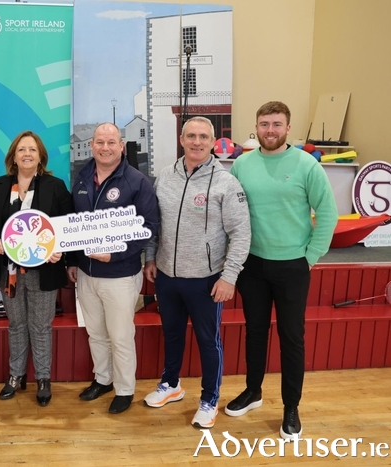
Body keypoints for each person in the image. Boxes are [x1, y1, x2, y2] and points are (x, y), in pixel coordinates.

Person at [226, 101, 337, 439]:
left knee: (291, 337)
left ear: (288, 128)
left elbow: (328, 214)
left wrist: (309, 257)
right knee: (255, 332)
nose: (270, 130)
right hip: (253, 266)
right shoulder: (241, 165)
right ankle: (253, 391)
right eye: (264, 124)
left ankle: (291, 406)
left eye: (276, 124)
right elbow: (230, 213)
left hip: (293, 266)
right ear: (256, 128)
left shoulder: (306, 166)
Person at [143, 116, 251, 428]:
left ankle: (209, 400)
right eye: (191, 136)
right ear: (181, 139)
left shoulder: (225, 183)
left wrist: (229, 276)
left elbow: (241, 234)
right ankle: (171, 385)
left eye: (203, 137)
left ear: (213, 142)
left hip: (206, 279)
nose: (197, 142)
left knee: (208, 340)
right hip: (166, 275)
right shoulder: (165, 176)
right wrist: (150, 258)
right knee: (172, 334)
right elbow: (155, 224)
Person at [67, 123, 159, 414]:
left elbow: (148, 228)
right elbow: (72, 223)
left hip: (119, 274)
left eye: (111, 142)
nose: (105, 148)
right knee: (95, 333)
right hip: (85, 273)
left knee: (120, 335)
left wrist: (116, 253)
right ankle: (103, 379)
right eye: (100, 142)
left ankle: (125, 389)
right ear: (92, 145)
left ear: (121, 145)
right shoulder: (81, 177)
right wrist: (72, 261)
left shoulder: (136, 181)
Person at [0, 130, 73, 407]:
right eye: (22, 149)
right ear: (13, 156)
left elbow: (68, 224)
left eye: (32, 149)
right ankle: (15, 376)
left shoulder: (54, 186)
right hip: (8, 271)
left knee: (41, 326)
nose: (27, 154)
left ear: (40, 155)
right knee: (17, 325)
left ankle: (43, 378)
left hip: (43, 270)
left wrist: (61, 248)